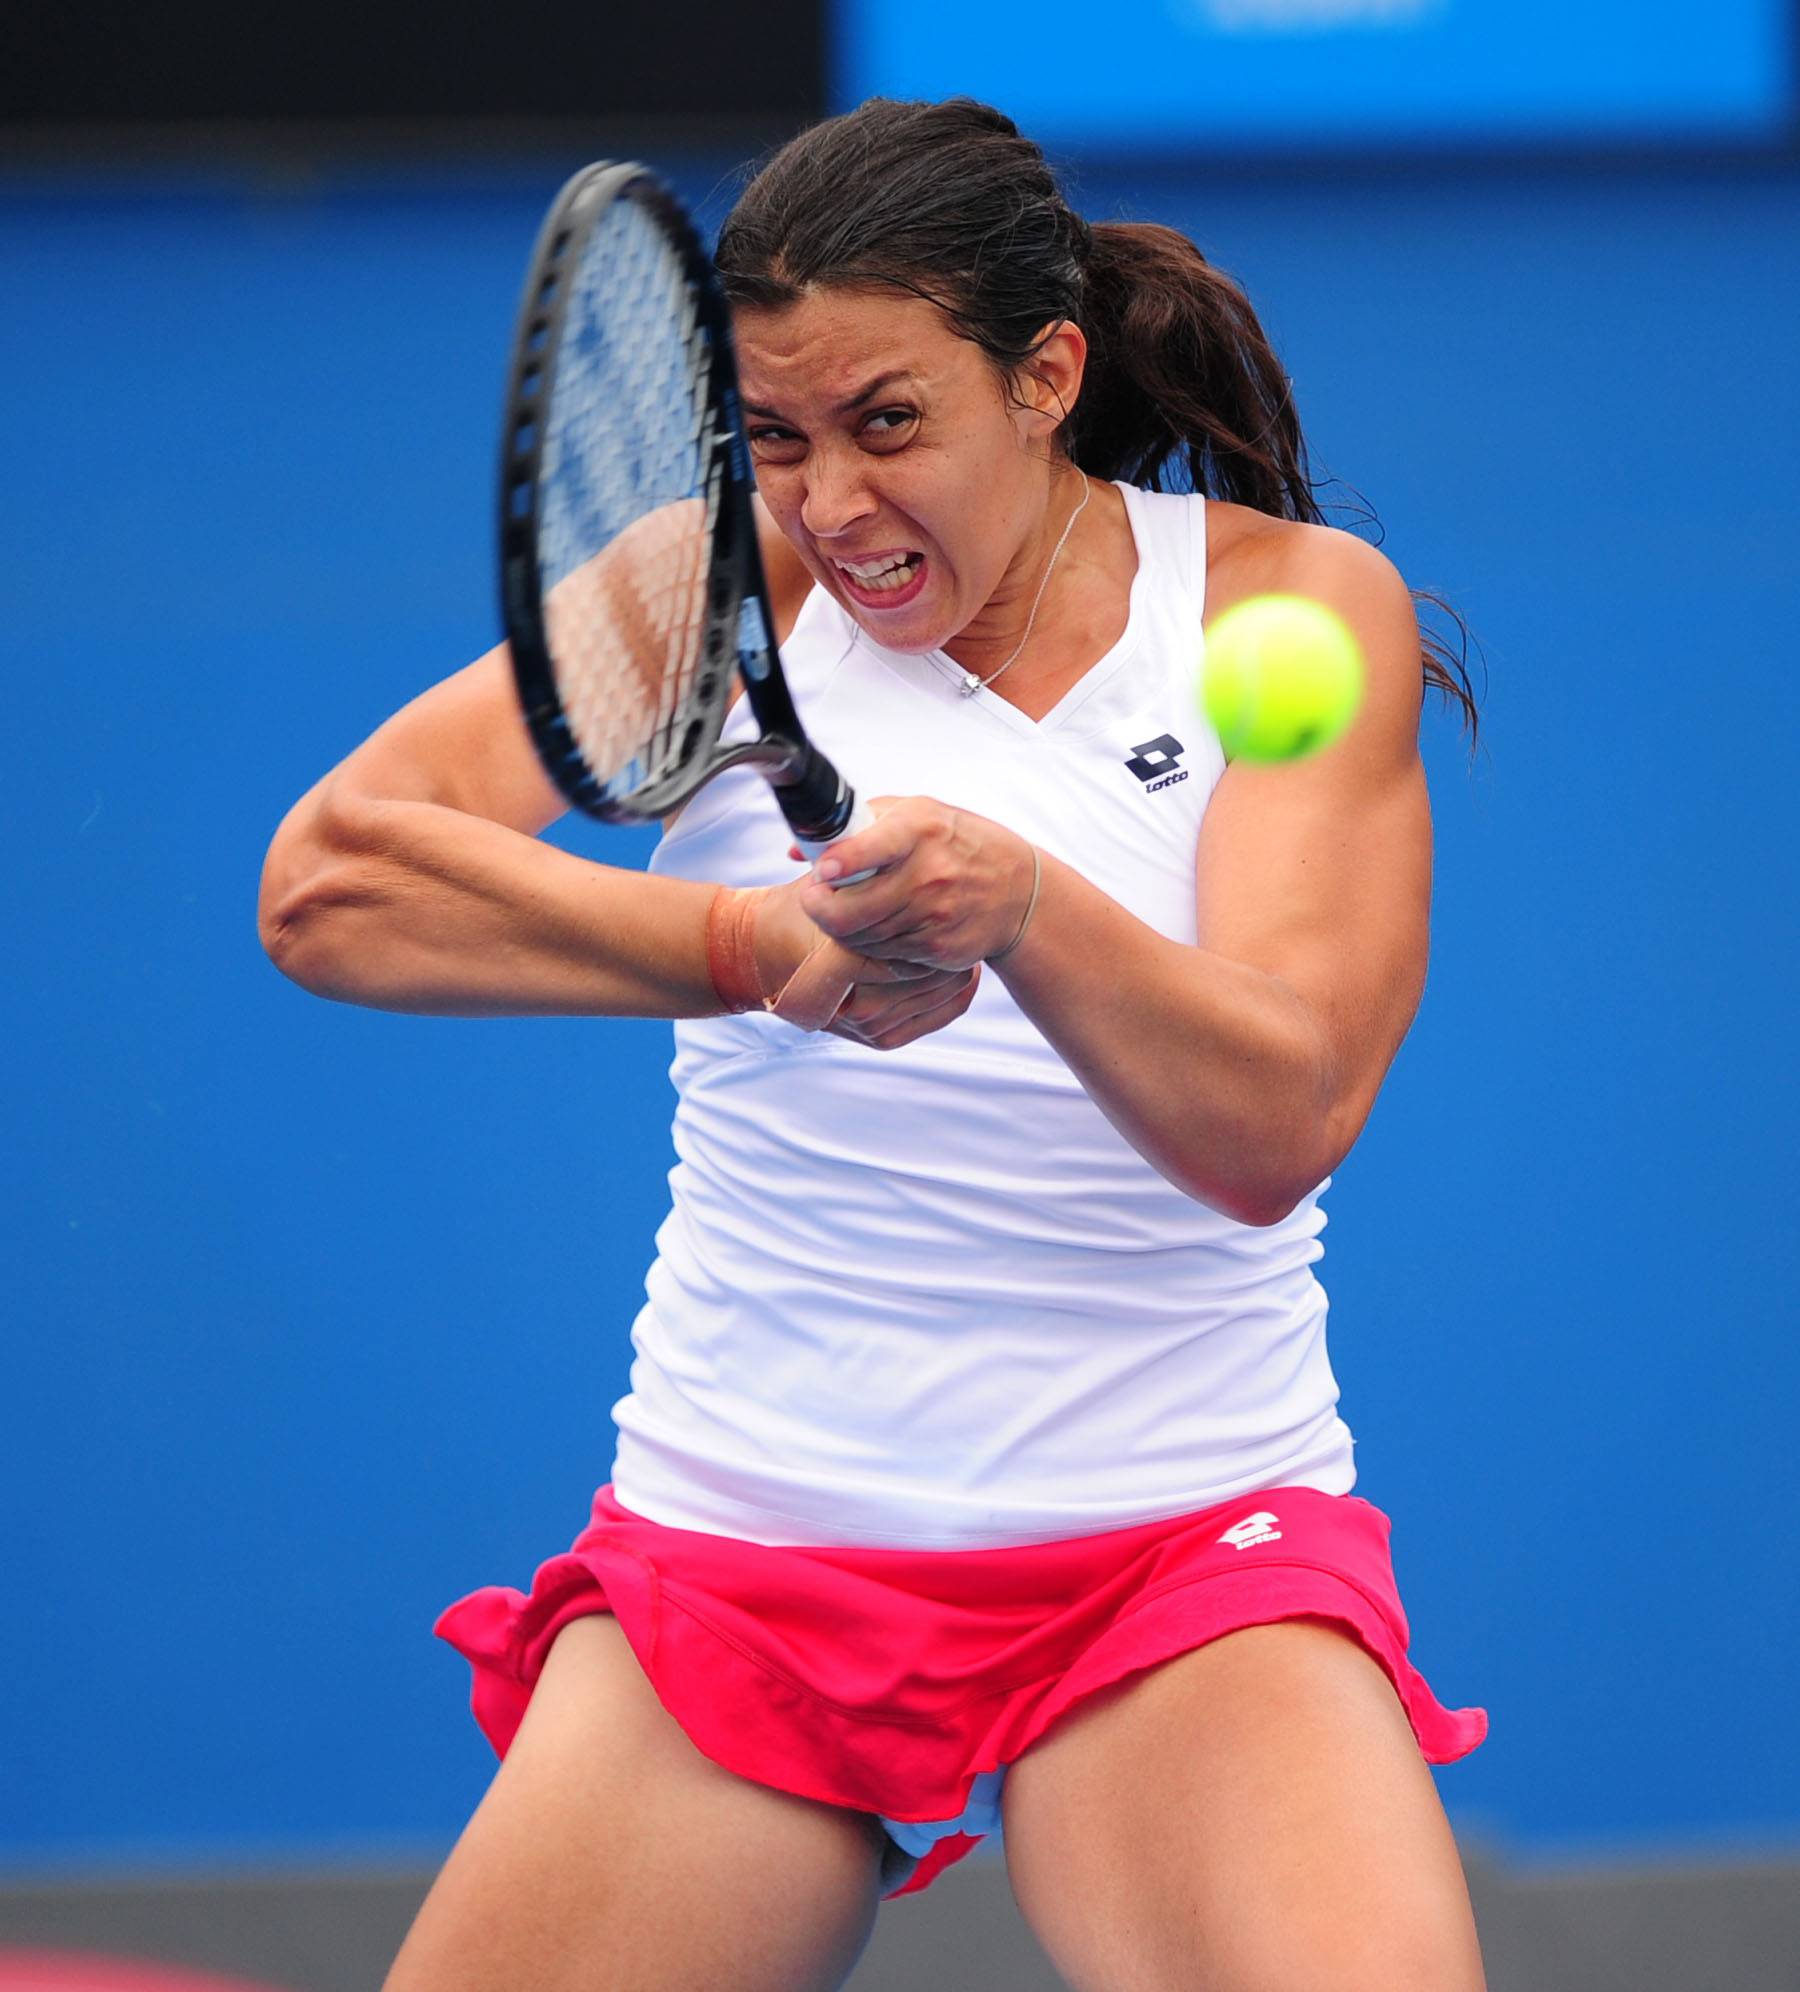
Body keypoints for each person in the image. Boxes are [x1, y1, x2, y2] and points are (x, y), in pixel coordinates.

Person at [260, 95, 1489, 1992]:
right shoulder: (715, 587)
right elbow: (332, 883)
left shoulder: (1285, 612)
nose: (827, 500)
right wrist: (748, 943)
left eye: (888, 423)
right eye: (775, 435)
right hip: (748, 1549)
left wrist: (1028, 910)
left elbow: (1280, 1119)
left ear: (1046, 376)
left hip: (1173, 1553)